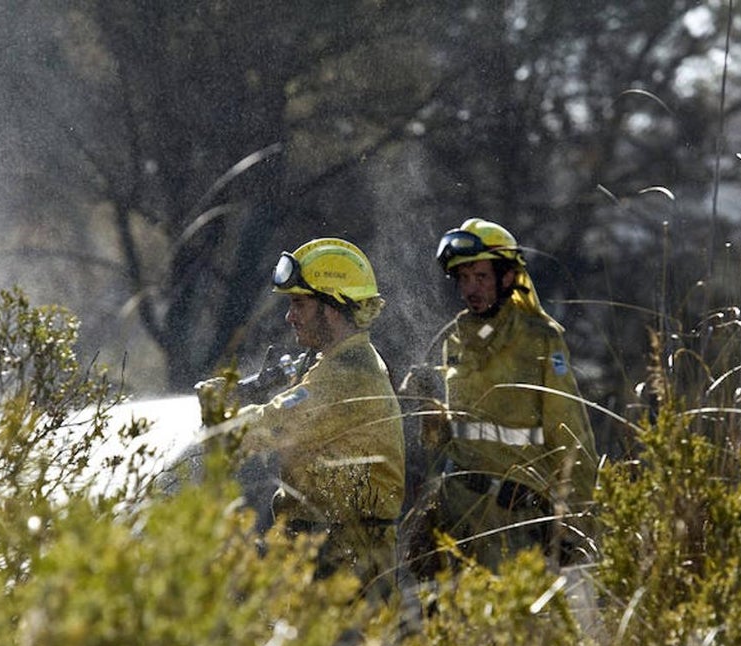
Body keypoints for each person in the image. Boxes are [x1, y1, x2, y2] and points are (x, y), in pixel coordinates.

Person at [197, 238, 406, 603]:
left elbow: (270, 426)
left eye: (299, 304)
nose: (289, 316)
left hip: (345, 565)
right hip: (325, 551)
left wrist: (221, 415)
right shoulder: (334, 362)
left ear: (334, 309)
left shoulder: (347, 374)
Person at [401, 218, 598, 575]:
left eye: (480, 277)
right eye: (463, 278)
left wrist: (579, 522)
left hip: (515, 519)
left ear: (507, 277)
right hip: (457, 513)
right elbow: (448, 438)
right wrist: (427, 406)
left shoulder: (540, 339)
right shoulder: (455, 340)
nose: (470, 289)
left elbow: (570, 432)